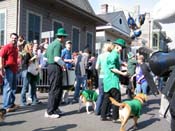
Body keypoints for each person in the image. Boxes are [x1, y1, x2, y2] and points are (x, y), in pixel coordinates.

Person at [100, 38, 127, 123]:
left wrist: (122, 64)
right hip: (112, 80)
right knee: (117, 98)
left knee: (106, 98)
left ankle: (103, 115)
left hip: (107, 80)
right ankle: (115, 117)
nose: (122, 48)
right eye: (121, 46)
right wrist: (122, 73)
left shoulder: (113, 54)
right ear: (117, 46)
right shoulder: (114, 54)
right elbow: (112, 68)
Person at [44, 27, 67, 118]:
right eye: (64, 37)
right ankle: (49, 111)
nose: (64, 39)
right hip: (55, 67)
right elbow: (57, 58)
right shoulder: (58, 44)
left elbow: (45, 57)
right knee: (55, 89)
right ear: (62, 37)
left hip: (50, 67)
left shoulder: (51, 44)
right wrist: (63, 64)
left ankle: (55, 108)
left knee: (58, 89)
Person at [0, 33, 19, 112]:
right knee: (7, 88)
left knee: (13, 88)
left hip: (14, 69)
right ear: (10, 38)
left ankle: (11, 104)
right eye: (12, 38)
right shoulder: (6, 47)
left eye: (15, 38)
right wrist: (2, 68)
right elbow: (1, 56)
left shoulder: (15, 48)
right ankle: (6, 106)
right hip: (8, 69)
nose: (14, 39)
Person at [95, 42, 113, 115]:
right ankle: (107, 111)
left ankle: (97, 111)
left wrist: (100, 73)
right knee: (108, 95)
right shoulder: (112, 55)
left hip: (101, 77)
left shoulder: (100, 56)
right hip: (109, 77)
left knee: (101, 94)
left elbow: (96, 67)